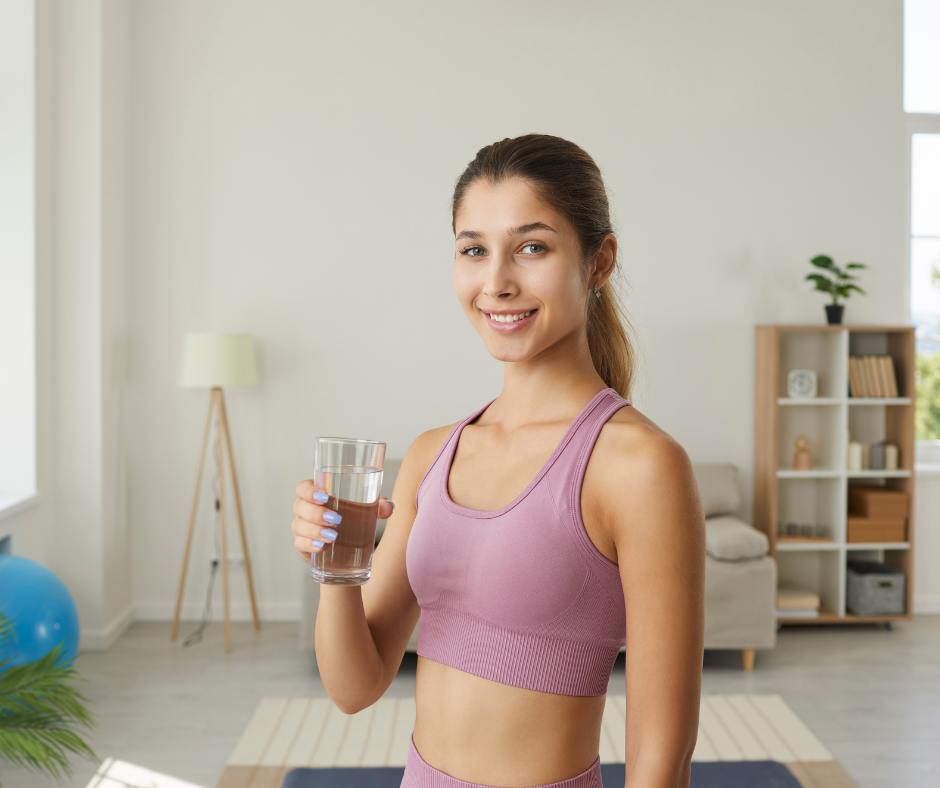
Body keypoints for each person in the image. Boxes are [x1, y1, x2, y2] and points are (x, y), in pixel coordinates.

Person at [291, 134, 705, 788]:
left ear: (599, 261)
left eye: (532, 247)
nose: (497, 282)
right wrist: (335, 566)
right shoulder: (431, 454)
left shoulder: (639, 465)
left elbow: (661, 760)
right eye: (473, 250)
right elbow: (355, 686)